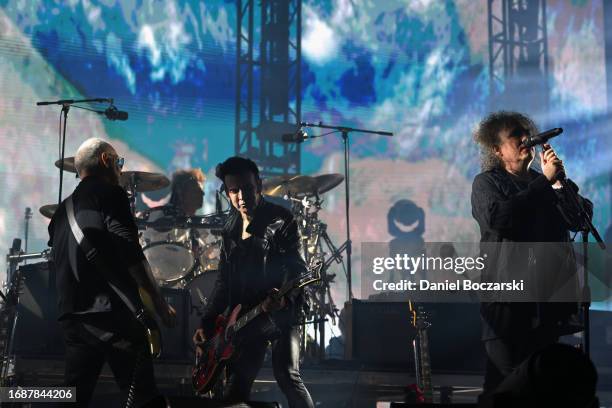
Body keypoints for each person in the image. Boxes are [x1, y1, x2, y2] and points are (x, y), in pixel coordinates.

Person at [470, 112, 593, 396]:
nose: (526, 138)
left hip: (547, 306)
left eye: (527, 132)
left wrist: (559, 183)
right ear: (497, 149)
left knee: (544, 390)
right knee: (505, 388)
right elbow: (502, 219)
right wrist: (544, 184)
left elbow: (580, 218)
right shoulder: (486, 183)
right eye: (515, 134)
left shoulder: (547, 182)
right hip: (508, 307)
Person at [48, 138, 176, 407]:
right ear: (106, 160)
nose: (120, 170)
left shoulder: (61, 212)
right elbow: (131, 254)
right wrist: (160, 305)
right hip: (112, 316)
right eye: (119, 163)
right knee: (143, 397)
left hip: (74, 318)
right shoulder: (110, 194)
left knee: (73, 397)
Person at [192, 156, 314, 408]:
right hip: (246, 319)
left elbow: (298, 270)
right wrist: (206, 321)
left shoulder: (281, 219)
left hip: (280, 313)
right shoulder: (230, 228)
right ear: (227, 192)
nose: (241, 196)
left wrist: (283, 296)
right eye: (234, 191)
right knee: (236, 390)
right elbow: (224, 282)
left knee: (287, 376)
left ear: (258, 185)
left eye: (247, 188)